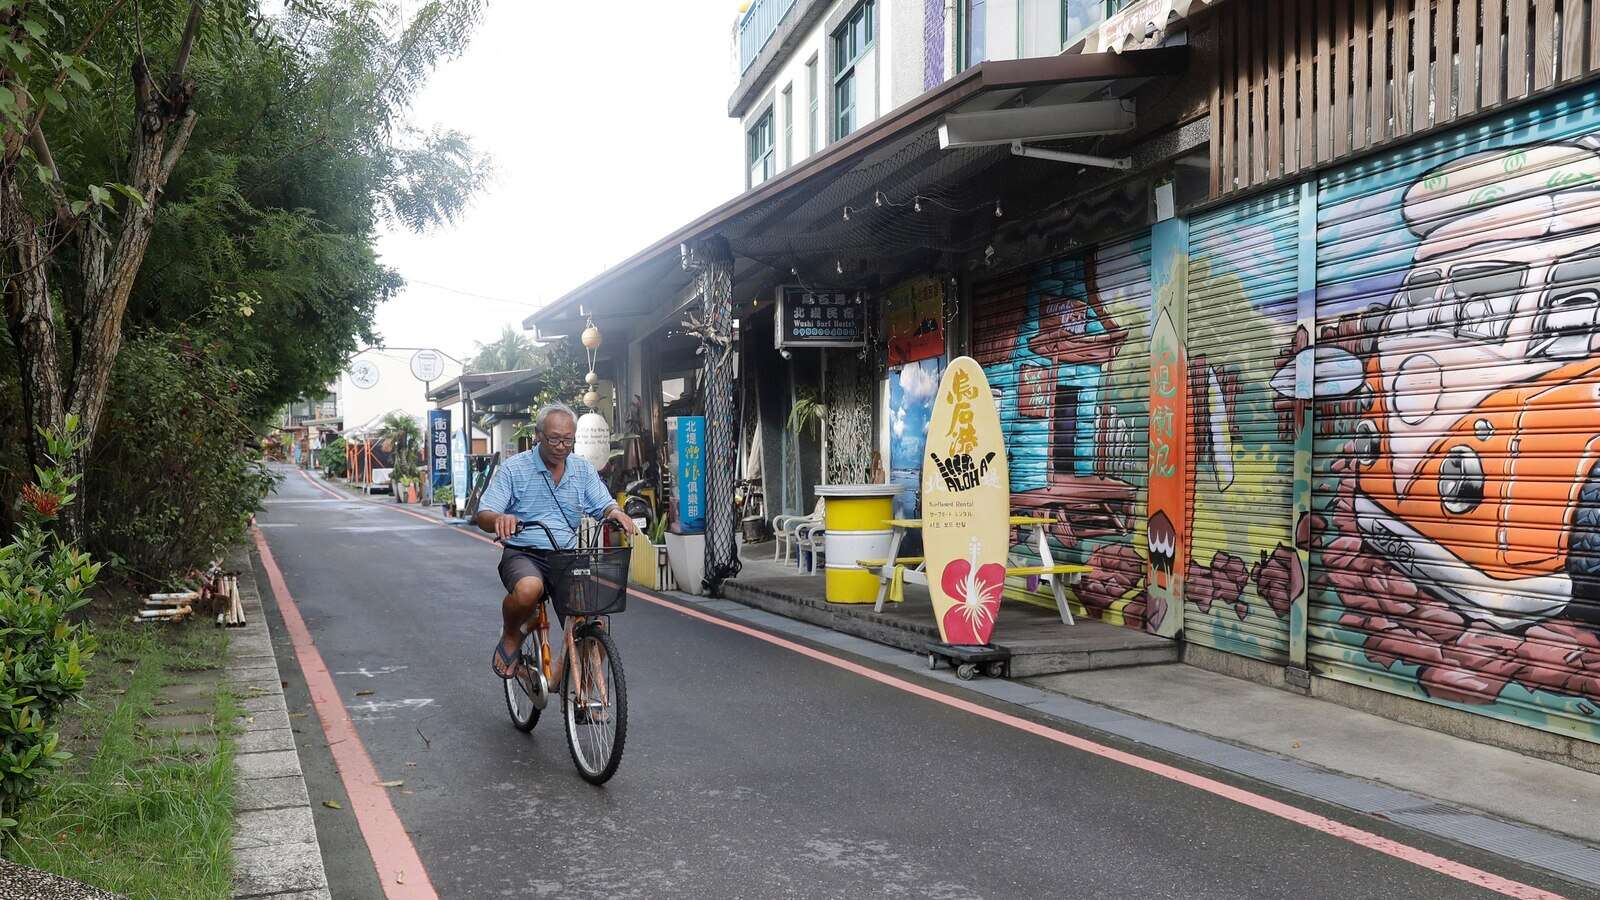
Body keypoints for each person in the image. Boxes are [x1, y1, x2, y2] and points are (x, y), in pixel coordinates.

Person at [476, 403, 639, 678]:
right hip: (524, 553)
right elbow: (484, 514)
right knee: (529, 589)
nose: (561, 446)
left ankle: (588, 690)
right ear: (538, 435)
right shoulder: (514, 469)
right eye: (554, 438)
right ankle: (512, 633)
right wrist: (498, 520)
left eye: (568, 439)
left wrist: (616, 513)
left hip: (566, 556)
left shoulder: (582, 470)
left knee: (594, 619)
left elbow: (603, 503)